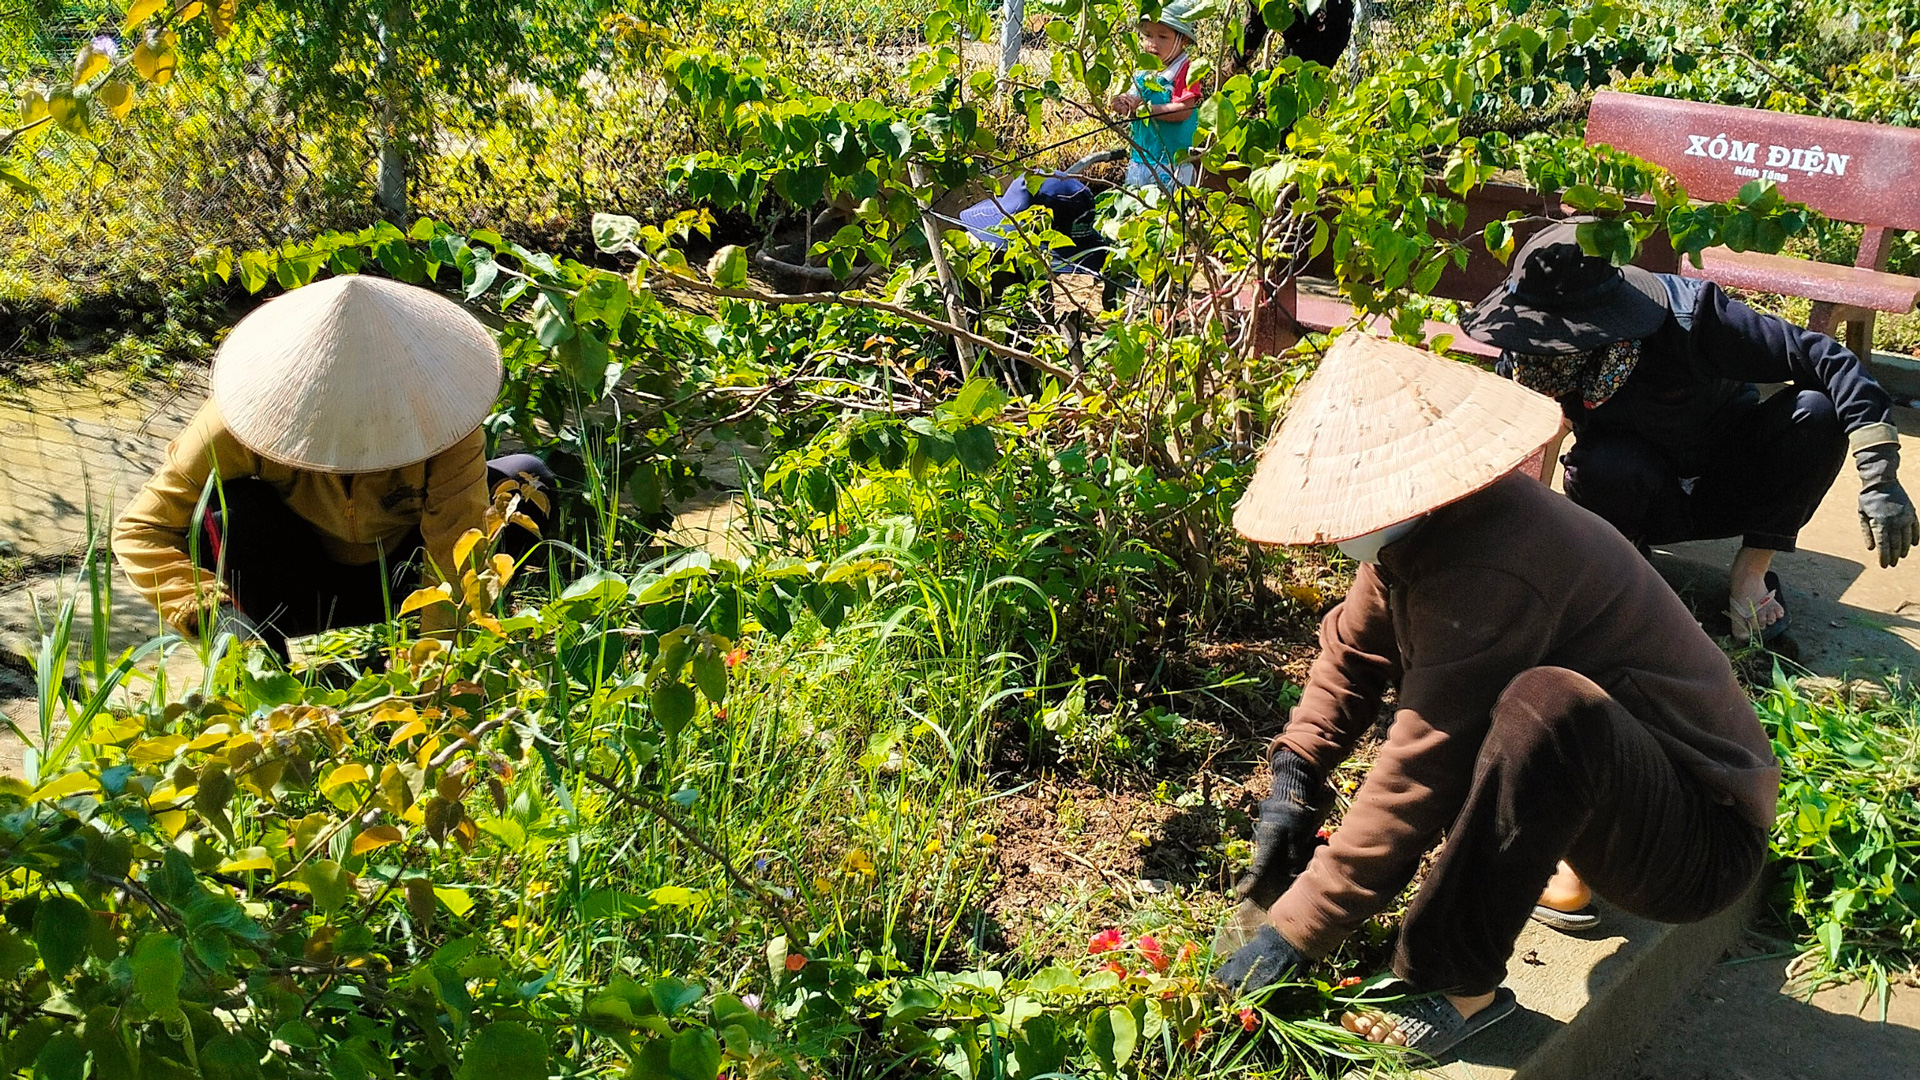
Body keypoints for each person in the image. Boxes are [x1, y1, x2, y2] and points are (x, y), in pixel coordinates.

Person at [1213, 334, 1778, 1059]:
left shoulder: (1495, 559)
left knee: (1549, 708)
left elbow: (1424, 764)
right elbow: (1353, 655)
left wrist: (1299, 928)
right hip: (1626, 788)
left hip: (1701, 840)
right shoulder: (1423, 523)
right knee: (1535, 710)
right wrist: (1296, 778)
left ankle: (1458, 982)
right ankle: (1550, 862)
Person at [1462, 220, 1917, 645]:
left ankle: (1750, 575)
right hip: (1636, 493)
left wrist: (1879, 473)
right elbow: (1523, 447)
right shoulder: (1529, 354)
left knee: (1815, 412)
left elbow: (1825, 357)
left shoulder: (1691, 319)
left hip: (1728, 483)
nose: (1543, 348)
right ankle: (1626, 565)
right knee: (1602, 464)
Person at [113, 274, 553, 660]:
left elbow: (456, 547)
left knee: (526, 481)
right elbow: (139, 530)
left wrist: (436, 673)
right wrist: (207, 608)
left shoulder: (445, 421)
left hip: (404, 576)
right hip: (299, 586)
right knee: (225, 514)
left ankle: (497, 634)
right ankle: (262, 674)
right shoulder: (236, 422)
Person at [1109, 1, 1206, 190]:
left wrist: (1146, 110)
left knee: (1167, 214)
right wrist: (1122, 104)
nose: (1153, 43)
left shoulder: (1186, 71)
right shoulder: (1143, 70)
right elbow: (1130, 103)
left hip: (1172, 164)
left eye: (1163, 37)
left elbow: (1184, 110)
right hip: (1141, 159)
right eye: (1147, 35)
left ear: (1183, 40)